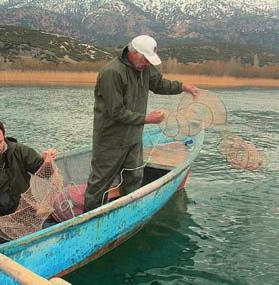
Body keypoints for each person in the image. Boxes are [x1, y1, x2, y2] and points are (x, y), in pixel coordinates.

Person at [84, 35, 199, 211]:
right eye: (145, 59)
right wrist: (148, 119)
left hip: (134, 137)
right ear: (134, 53)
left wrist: (183, 87)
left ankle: (126, 212)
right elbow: (116, 112)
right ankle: (89, 221)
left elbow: (159, 84)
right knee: (99, 183)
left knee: (134, 176)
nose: (147, 63)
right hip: (110, 139)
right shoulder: (112, 72)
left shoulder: (144, 68)